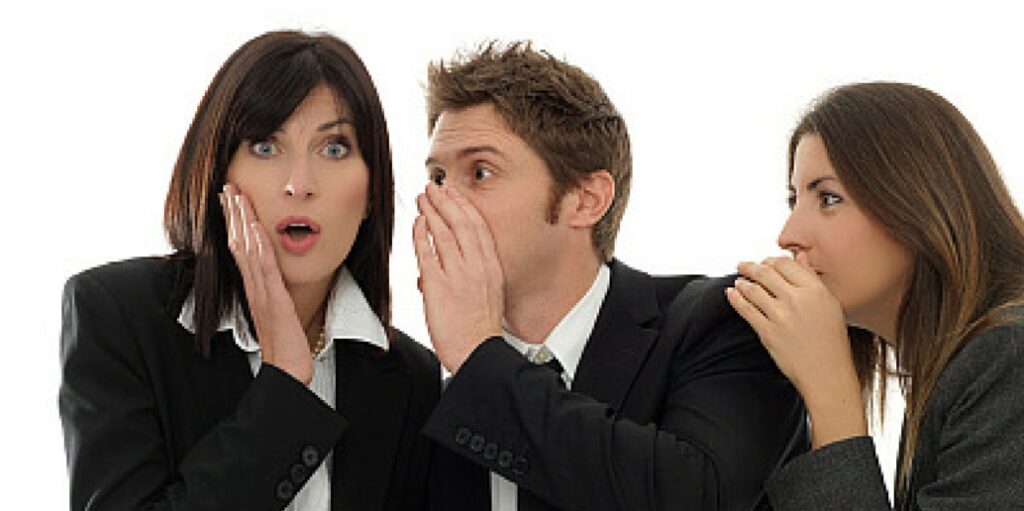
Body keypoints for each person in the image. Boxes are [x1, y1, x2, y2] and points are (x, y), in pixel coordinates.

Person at [411, 41, 808, 510]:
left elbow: (696, 497)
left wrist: (481, 357)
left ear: (586, 200)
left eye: (480, 172)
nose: (440, 202)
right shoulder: (420, 384)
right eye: (437, 177)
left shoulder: (725, 320)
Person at [58, 30, 439, 511]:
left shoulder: (410, 375)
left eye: (335, 148)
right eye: (264, 146)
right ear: (218, 175)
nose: (299, 185)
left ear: (372, 193)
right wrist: (282, 385)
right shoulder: (118, 315)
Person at [726, 82, 1024, 509]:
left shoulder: (1008, 353)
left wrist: (830, 393)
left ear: (918, 202)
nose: (788, 236)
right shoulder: (953, 368)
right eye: (793, 200)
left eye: (828, 198)